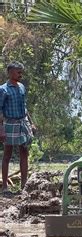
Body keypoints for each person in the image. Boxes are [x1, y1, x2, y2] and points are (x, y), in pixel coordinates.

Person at [0, 62, 36, 197]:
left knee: (24, 152)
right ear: (10, 73)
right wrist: (1, 129)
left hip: (22, 122)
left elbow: (25, 107)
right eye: (18, 72)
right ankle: (4, 186)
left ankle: (24, 185)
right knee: (7, 154)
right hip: (10, 123)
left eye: (21, 72)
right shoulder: (3, 89)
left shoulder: (21, 87)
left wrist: (31, 123)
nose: (20, 74)